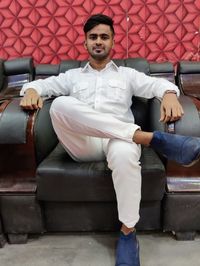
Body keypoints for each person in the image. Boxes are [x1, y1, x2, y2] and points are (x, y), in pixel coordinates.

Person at [20, 14, 200, 266]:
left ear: (113, 42)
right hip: (83, 144)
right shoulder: (72, 76)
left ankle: (128, 234)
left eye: (104, 37)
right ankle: (150, 139)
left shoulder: (127, 75)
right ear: (85, 42)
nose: (98, 41)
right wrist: (29, 90)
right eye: (93, 37)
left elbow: (158, 85)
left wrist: (170, 94)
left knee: (125, 153)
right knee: (59, 104)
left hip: (119, 142)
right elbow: (42, 86)